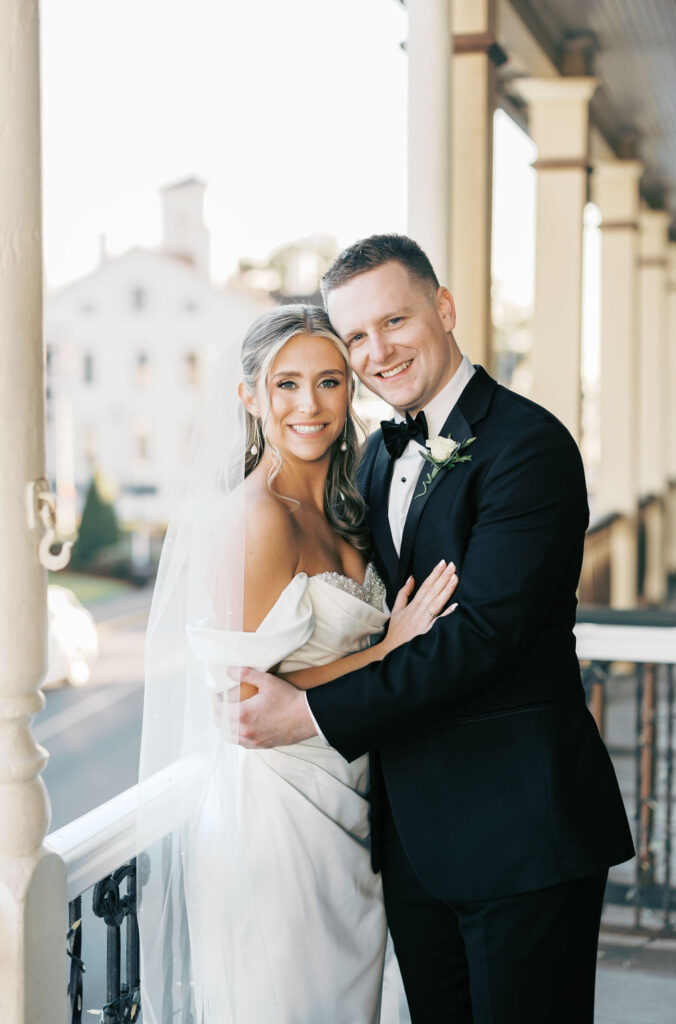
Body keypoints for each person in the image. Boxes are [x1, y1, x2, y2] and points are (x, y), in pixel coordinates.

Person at [233, 235, 636, 1023]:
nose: (376, 352)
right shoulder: (380, 459)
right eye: (355, 337)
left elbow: (483, 635)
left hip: (520, 837)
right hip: (411, 846)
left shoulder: (529, 447)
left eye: (395, 321)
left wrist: (308, 711)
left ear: (443, 310)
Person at [139, 303, 458, 1023]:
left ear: (351, 392)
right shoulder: (254, 519)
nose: (308, 405)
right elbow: (241, 697)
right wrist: (389, 649)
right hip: (277, 818)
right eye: (285, 385)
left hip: (355, 801)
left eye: (328, 382)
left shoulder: (346, 508)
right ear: (249, 397)